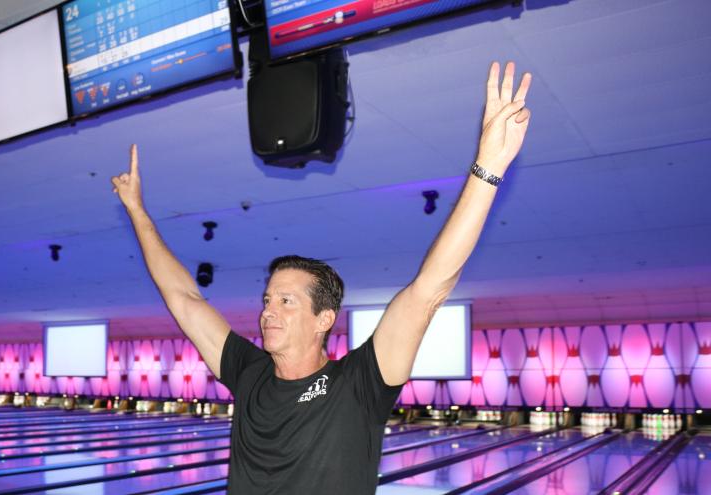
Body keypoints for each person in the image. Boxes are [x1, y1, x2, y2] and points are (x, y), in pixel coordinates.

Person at [111, 61, 532, 494]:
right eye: (268, 300)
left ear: (324, 318)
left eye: (286, 301)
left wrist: (488, 166)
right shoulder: (248, 371)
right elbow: (184, 299)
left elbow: (428, 290)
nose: (268, 312)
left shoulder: (359, 384)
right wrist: (138, 212)